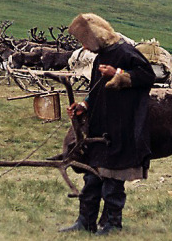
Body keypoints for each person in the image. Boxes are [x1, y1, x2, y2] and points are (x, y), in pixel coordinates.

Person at [60, 13, 156, 234]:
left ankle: (113, 224)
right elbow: (96, 88)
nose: (84, 46)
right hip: (99, 125)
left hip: (121, 125)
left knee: (113, 178)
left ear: (96, 36)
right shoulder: (100, 55)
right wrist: (84, 104)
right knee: (92, 175)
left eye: (85, 40)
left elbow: (147, 77)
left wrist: (118, 73)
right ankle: (85, 222)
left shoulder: (125, 52)